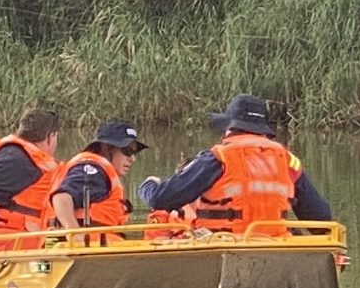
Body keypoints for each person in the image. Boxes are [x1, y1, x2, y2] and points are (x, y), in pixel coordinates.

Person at [142, 94, 332, 230]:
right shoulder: (289, 160)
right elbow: (321, 220)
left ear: (229, 127)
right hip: (275, 246)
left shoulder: (218, 158)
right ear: (262, 129)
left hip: (226, 244)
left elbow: (162, 200)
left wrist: (149, 186)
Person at [0, 108, 67, 251]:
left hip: (21, 236)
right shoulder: (13, 161)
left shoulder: (31, 161)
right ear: (51, 137)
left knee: (63, 240)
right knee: (60, 245)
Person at [53, 121, 147, 233]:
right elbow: (61, 198)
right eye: (127, 151)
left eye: (134, 153)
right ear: (106, 148)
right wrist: (75, 233)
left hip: (104, 245)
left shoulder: (100, 173)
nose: (132, 159)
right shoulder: (91, 170)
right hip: (88, 247)